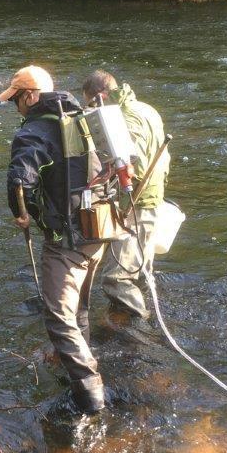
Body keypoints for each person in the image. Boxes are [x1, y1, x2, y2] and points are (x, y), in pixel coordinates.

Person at [0, 65, 106, 414]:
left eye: (16, 100)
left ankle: (91, 397)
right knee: (80, 308)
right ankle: (74, 361)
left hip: (67, 239)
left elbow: (19, 179)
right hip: (98, 227)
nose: (16, 108)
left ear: (30, 96)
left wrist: (20, 213)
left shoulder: (36, 130)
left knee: (58, 317)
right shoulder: (78, 116)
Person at [82, 70, 170, 320]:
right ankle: (134, 315)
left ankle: (137, 331)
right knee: (140, 268)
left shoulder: (125, 119)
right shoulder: (146, 108)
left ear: (102, 96)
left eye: (90, 104)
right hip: (152, 198)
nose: (91, 111)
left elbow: (134, 165)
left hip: (138, 203)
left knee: (117, 277)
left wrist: (103, 180)